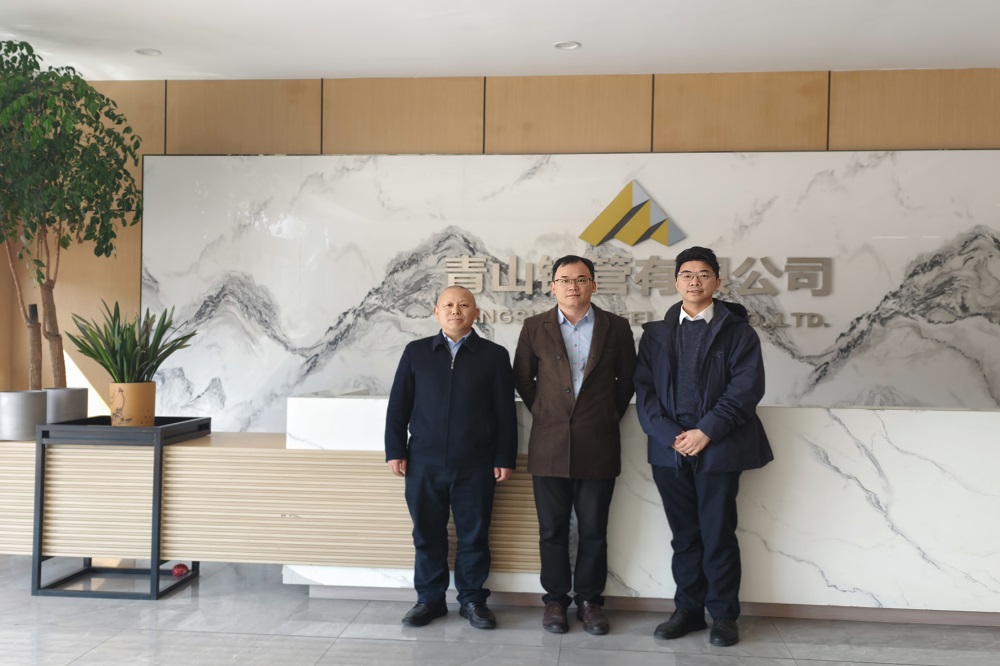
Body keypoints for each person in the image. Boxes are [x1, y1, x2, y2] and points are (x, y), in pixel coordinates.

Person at [633, 246, 773, 647]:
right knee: (684, 536)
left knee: (718, 534)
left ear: (717, 281)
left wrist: (705, 432)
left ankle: (724, 615)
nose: (694, 281)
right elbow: (644, 392)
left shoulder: (738, 332)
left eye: (703, 274)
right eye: (687, 275)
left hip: (720, 447)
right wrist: (670, 435)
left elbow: (746, 389)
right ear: (676, 282)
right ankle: (688, 610)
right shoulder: (656, 335)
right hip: (670, 451)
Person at [513, 255, 636, 635]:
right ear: (552, 287)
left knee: (594, 529)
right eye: (564, 280)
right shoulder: (534, 326)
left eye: (581, 279)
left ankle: (589, 601)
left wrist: (604, 415)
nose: (573, 286)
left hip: (599, 442)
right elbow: (523, 378)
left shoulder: (616, 327)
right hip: (549, 444)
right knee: (551, 530)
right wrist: (546, 412)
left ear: (593, 285)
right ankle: (554, 601)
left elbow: (627, 381)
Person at [385, 285, 518, 630]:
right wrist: (395, 450)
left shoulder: (494, 355)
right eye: (448, 305)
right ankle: (429, 600)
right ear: (436, 312)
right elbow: (399, 405)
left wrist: (504, 456)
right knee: (427, 534)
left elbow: (505, 412)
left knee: (474, 535)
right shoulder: (416, 352)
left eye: (463, 305)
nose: (455, 310)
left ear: (476, 313)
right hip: (423, 463)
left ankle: (473, 600)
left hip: (476, 463)